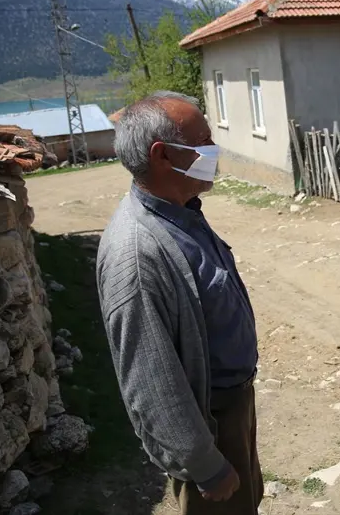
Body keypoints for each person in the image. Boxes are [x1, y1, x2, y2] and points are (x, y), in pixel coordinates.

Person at [96, 91, 263, 514]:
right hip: (210, 426)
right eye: (203, 140)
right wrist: (204, 464)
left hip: (232, 408)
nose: (213, 149)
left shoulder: (180, 210)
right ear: (163, 155)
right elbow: (150, 379)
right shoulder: (136, 253)